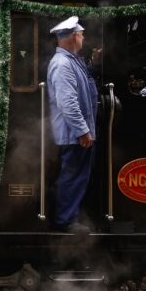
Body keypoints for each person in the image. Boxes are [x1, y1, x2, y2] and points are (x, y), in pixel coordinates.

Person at [47, 16, 98, 234]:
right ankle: (65, 221)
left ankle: (70, 216)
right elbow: (67, 102)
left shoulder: (71, 61)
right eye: (81, 34)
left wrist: (94, 63)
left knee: (77, 175)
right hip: (72, 133)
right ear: (72, 36)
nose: (83, 37)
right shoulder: (62, 64)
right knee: (72, 175)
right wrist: (82, 130)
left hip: (76, 131)